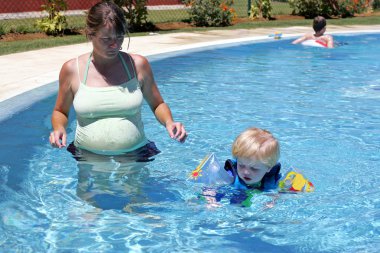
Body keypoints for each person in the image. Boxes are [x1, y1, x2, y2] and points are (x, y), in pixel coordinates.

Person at [49, 1, 187, 157]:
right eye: (106, 39)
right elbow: (60, 111)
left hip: (135, 156)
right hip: (88, 157)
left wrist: (169, 122)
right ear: (90, 34)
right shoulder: (72, 70)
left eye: (119, 37)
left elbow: (157, 104)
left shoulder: (138, 65)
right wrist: (58, 128)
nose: (115, 45)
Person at [192, 127, 314, 208]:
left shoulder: (273, 180)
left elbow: (293, 192)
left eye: (254, 169)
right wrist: (209, 196)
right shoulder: (231, 175)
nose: (245, 171)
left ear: (268, 167)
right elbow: (211, 186)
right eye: (241, 165)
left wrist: (275, 199)